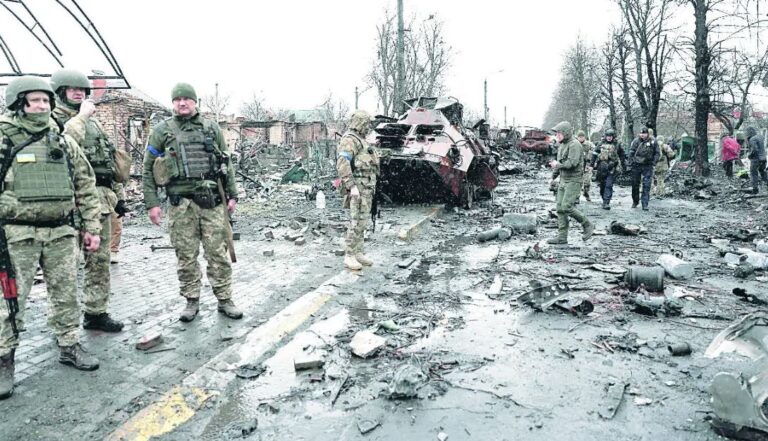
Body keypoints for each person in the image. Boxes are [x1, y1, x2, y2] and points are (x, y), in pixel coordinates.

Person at [0, 76, 104, 399]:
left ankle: (69, 344)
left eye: (46, 101)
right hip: (18, 234)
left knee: (66, 292)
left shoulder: (60, 139)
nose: (43, 106)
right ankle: (4, 359)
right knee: (9, 300)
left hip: (61, 231)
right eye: (36, 101)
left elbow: (85, 184)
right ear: (20, 104)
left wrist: (92, 227)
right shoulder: (3, 139)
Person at [142, 83, 242, 322]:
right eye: (177, 99)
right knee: (186, 255)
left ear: (196, 102)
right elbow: (148, 169)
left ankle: (225, 299)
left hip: (212, 203)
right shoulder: (161, 131)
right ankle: (191, 300)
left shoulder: (211, 128)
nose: (182, 103)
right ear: (173, 103)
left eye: (187, 99)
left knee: (217, 253)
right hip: (180, 205)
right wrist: (152, 203)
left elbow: (225, 164)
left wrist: (232, 195)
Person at [50, 68, 124, 332]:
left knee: (99, 261)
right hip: (69, 202)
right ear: (60, 92)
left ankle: (96, 312)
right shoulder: (52, 119)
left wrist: (120, 196)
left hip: (100, 200)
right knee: (66, 267)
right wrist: (82, 116)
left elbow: (109, 159)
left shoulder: (93, 122)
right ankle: (63, 324)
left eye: (82, 90)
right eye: (72, 90)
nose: (78, 93)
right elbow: (66, 144)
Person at [336, 110, 380, 270]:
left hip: (367, 188)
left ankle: (359, 252)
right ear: (360, 123)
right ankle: (349, 254)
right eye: (367, 123)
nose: (369, 127)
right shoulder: (349, 140)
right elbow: (343, 163)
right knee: (355, 222)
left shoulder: (362, 140)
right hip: (358, 188)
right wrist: (352, 186)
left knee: (363, 221)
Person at [547, 121, 594, 245]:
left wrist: (558, 165)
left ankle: (587, 225)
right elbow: (560, 164)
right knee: (560, 208)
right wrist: (553, 177)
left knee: (567, 206)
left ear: (566, 133)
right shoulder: (562, 145)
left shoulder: (575, 145)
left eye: (559, 133)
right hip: (563, 180)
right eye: (556, 133)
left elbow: (571, 164)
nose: (557, 136)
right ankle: (562, 237)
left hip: (574, 180)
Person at [591, 128, 626, 210]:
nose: (609, 138)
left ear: (613, 137)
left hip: (612, 167)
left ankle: (606, 202)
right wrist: (591, 164)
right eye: (608, 136)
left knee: (609, 185)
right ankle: (604, 198)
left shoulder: (617, 144)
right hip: (601, 167)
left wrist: (624, 166)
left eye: (611, 136)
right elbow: (595, 154)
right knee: (602, 185)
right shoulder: (600, 144)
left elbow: (622, 155)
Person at [628, 127, 660, 210]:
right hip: (636, 165)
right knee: (635, 184)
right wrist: (630, 163)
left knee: (646, 185)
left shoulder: (653, 141)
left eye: (644, 133)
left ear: (647, 134)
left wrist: (654, 162)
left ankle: (645, 203)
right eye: (641, 133)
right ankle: (635, 201)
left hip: (647, 165)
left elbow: (657, 153)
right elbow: (631, 152)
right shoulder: (636, 141)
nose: (642, 135)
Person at [746, 127, 767, 194]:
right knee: (763, 172)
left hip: (756, 159)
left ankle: (755, 189)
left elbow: (755, 149)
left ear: (750, 132)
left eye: (747, 132)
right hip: (763, 158)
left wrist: (750, 155)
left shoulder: (752, 139)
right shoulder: (760, 137)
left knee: (753, 173)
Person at [576, 130, 594, 201]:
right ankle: (576, 197)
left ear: (584, 137)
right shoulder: (575, 145)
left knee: (587, 182)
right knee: (577, 183)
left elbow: (594, 153)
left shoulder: (589, 144)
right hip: (577, 166)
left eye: (582, 137)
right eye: (579, 137)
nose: (580, 138)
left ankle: (586, 193)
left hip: (587, 165)